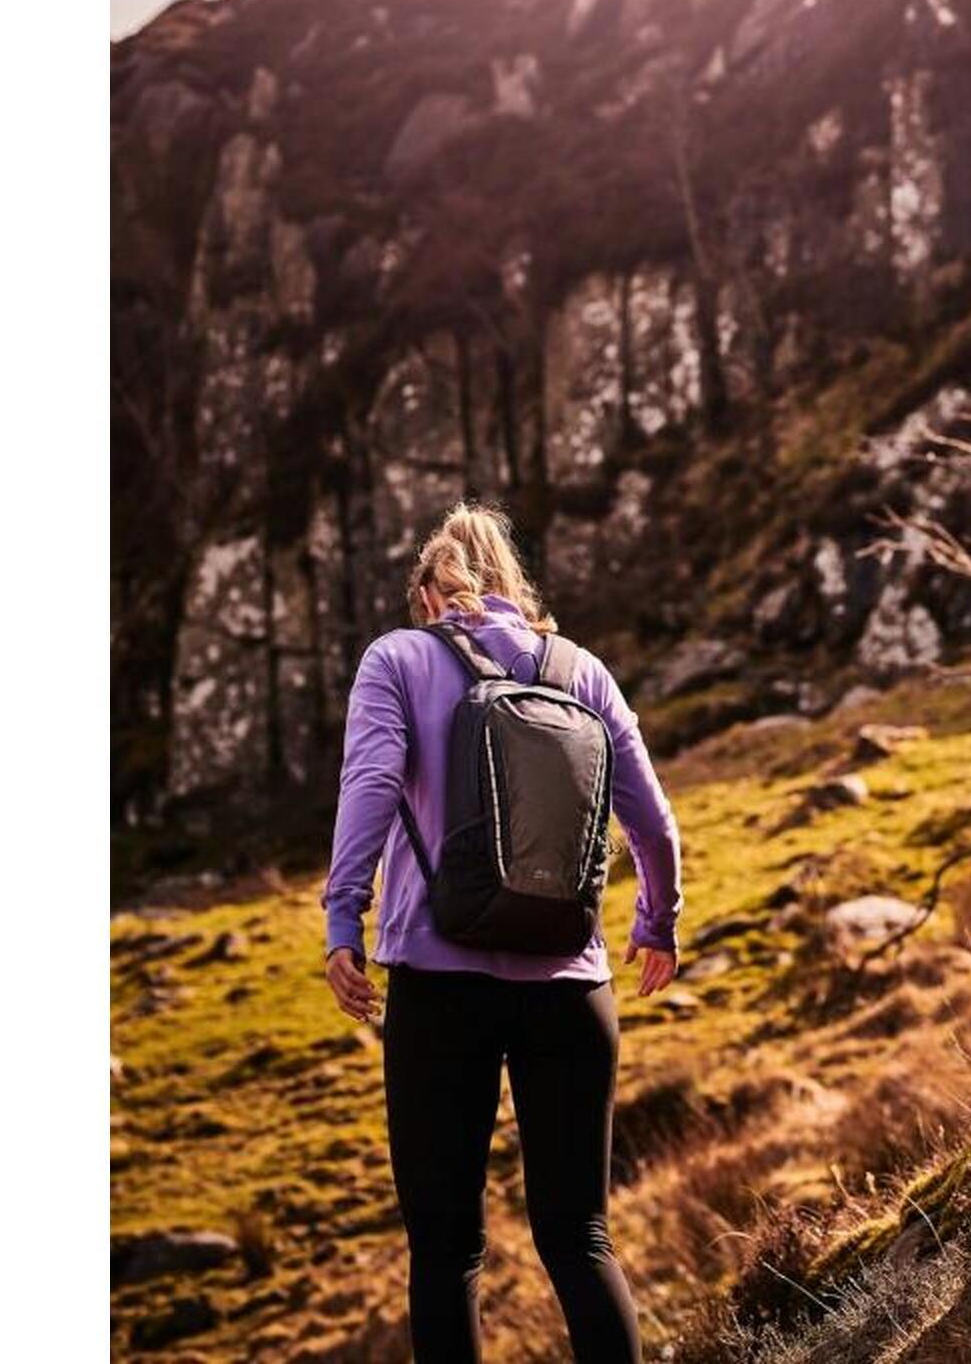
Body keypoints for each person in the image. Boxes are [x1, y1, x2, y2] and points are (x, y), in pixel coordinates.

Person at [321, 502, 682, 1364]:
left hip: (440, 988)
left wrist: (344, 918)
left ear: (427, 592)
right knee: (581, 1239)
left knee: (447, 1251)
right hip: (570, 985)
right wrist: (656, 923)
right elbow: (655, 825)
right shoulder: (582, 672)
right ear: (516, 586)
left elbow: (370, 786)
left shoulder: (398, 659)